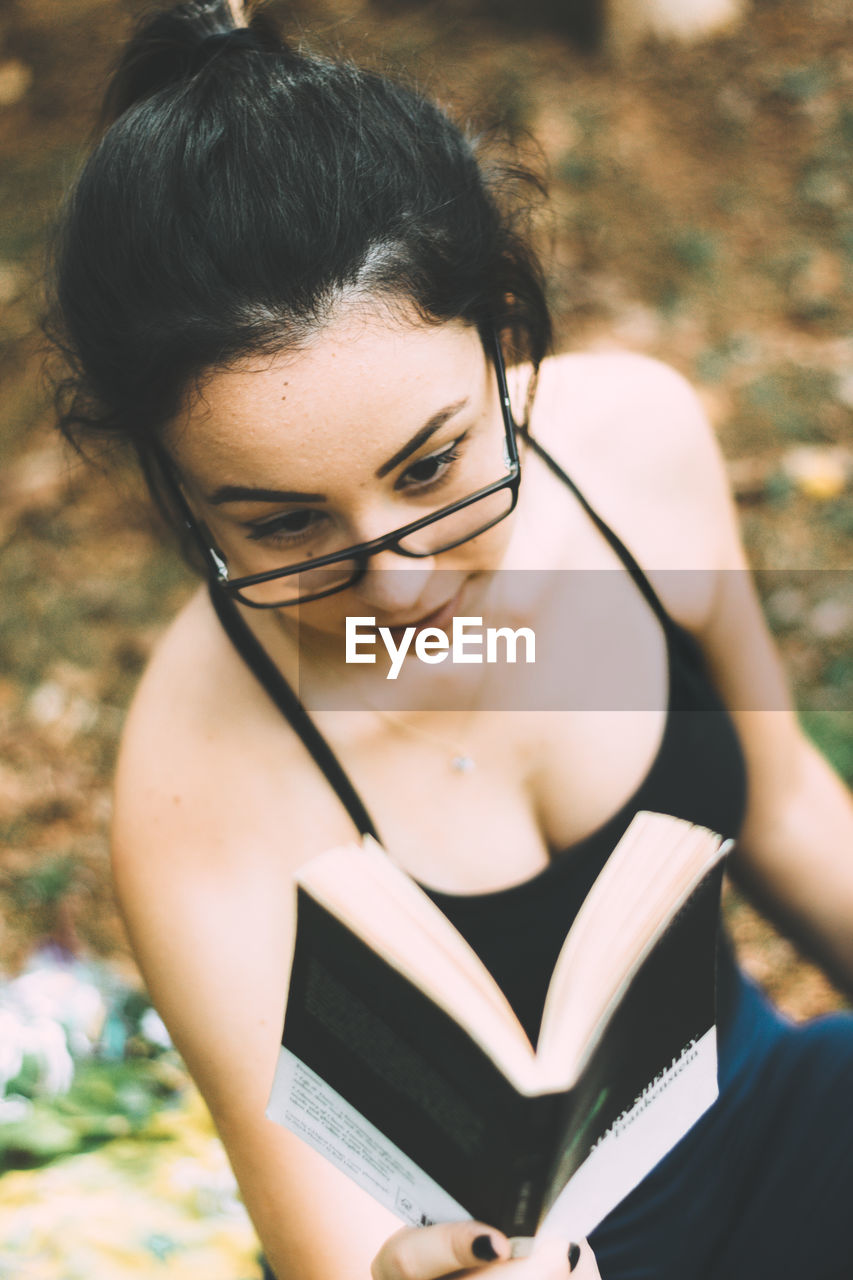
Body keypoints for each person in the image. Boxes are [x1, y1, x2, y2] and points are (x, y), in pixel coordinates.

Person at [46, 2, 853, 1278]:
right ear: (177, 491)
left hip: (775, 1129)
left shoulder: (634, 456)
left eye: (433, 466)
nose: (400, 578)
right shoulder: (197, 777)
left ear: (503, 325)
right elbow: (328, 1244)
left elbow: (792, 807)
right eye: (283, 525)